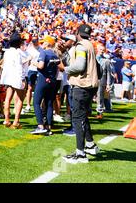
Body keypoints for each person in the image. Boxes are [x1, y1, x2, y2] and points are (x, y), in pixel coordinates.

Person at [62, 24, 100, 164]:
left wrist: (64, 68)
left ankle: (80, 154)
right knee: (83, 116)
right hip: (89, 86)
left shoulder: (81, 46)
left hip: (81, 85)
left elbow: (79, 66)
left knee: (78, 119)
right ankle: (90, 144)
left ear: (77, 32)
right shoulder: (89, 44)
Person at [30, 35, 61, 135]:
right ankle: (48, 127)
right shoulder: (55, 54)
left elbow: (41, 65)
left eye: (43, 42)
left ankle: (40, 125)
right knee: (49, 104)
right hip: (52, 81)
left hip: (43, 79)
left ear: (47, 44)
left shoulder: (43, 52)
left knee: (36, 102)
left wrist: (34, 63)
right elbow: (58, 69)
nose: (41, 44)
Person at [0, 32, 26, 129]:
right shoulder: (18, 52)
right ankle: (16, 121)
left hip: (8, 76)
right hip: (16, 77)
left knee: (8, 98)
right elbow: (19, 67)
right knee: (19, 99)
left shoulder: (7, 52)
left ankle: (6, 120)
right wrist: (22, 78)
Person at [24, 38, 42, 113]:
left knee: (39, 88)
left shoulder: (41, 49)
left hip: (39, 69)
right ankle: (28, 105)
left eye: (36, 42)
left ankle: (39, 105)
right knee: (30, 88)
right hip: (31, 70)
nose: (35, 43)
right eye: (33, 42)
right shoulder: (29, 50)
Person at [95, 44, 113, 119]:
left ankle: (99, 112)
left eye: (103, 50)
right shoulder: (93, 58)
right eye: (100, 49)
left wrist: (108, 84)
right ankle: (87, 111)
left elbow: (109, 73)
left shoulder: (106, 61)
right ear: (97, 50)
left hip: (102, 80)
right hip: (92, 79)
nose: (102, 51)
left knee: (100, 97)